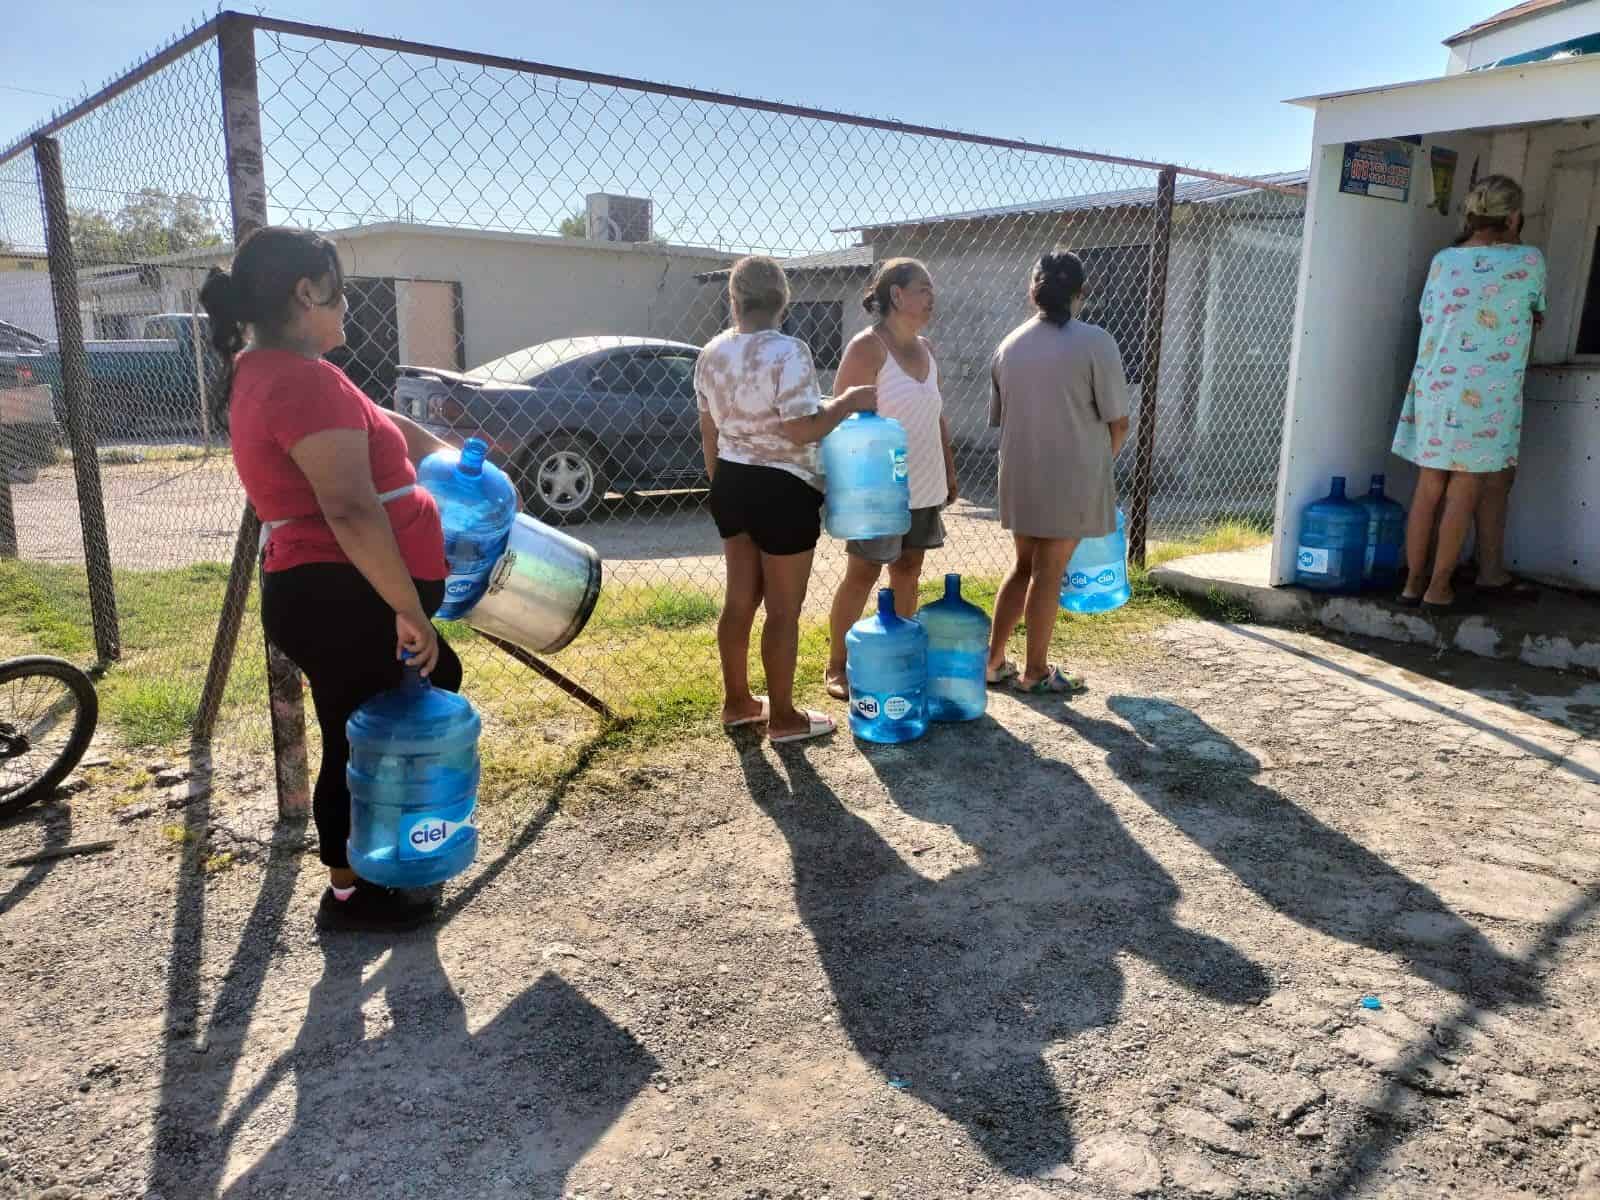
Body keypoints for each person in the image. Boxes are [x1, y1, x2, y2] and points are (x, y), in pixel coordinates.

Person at [201, 226, 462, 933]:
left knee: (398, 710)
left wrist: (450, 455)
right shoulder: (299, 382)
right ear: (306, 292)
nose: (349, 306)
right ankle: (355, 890)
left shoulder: (290, 369)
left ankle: (386, 863)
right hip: (343, 593)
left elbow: (382, 425)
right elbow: (348, 508)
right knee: (360, 736)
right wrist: (408, 607)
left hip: (333, 590)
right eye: (340, 291)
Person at [697, 256, 877, 744]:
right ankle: (783, 717)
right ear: (784, 301)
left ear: (733, 300)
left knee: (739, 601)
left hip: (731, 482)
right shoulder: (790, 351)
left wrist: (722, 488)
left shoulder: (711, 352)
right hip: (782, 489)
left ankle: (736, 702)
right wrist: (846, 404)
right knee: (782, 609)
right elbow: (801, 428)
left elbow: (709, 429)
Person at [1392, 175, 1547, 610]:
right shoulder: (1529, 260)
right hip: (1487, 389)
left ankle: (1411, 584)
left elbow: (1429, 314)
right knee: (1465, 486)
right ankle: (1439, 588)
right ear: (1514, 217)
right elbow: (1536, 315)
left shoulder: (1443, 261)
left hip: (1434, 385)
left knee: (1429, 485)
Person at [986, 250, 1130, 693]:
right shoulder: (1097, 342)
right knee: (1049, 574)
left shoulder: (1009, 345)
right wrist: (1099, 463)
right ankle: (1035, 671)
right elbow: (1118, 421)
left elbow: (1001, 417)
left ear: (1034, 291)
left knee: (1023, 567)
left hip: (1020, 473)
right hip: (1073, 475)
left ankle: (992, 662)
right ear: (1081, 291)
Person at [823, 259, 957, 700]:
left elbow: (936, 416)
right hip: (878, 491)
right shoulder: (868, 348)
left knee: (909, 568)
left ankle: (898, 656)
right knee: (862, 574)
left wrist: (949, 470)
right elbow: (842, 421)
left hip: (924, 483)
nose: (931, 296)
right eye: (923, 288)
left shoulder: (928, 349)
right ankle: (837, 666)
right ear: (896, 295)